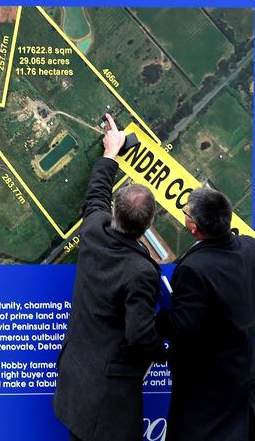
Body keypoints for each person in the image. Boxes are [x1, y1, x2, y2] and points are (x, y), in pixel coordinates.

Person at [54, 114, 165, 441]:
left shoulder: (94, 231)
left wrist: (109, 154)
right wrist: (167, 349)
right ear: (148, 225)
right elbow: (140, 336)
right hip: (108, 403)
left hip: (77, 383)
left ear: (115, 212)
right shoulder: (140, 272)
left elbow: (96, 196)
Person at [156, 187, 255, 441]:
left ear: (194, 227)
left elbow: (183, 328)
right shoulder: (253, 249)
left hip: (207, 391)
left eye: (185, 212)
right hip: (246, 376)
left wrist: (160, 319)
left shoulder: (194, 269)